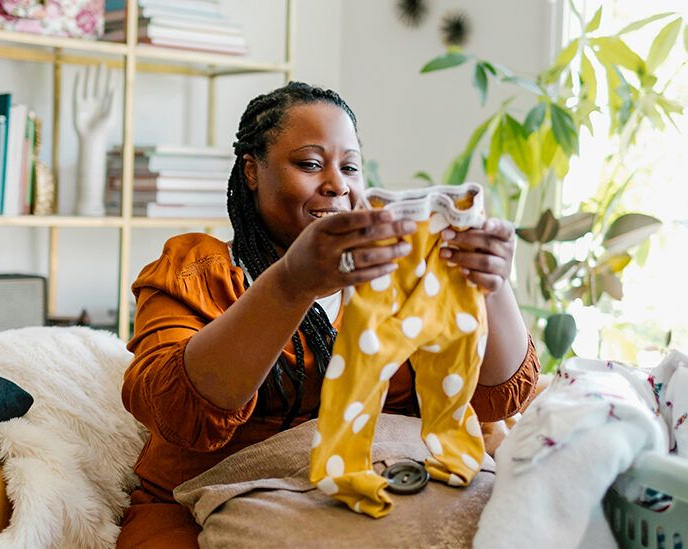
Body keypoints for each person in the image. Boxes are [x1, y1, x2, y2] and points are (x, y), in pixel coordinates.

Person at [116, 81, 540, 547]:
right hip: (218, 505)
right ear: (252, 171)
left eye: (350, 167)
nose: (337, 184)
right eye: (310, 164)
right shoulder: (197, 270)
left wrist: (492, 283)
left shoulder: (403, 274)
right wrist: (290, 283)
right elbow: (176, 413)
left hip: (390, 495)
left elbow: (499, 401)